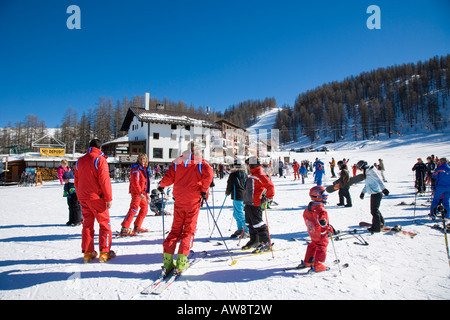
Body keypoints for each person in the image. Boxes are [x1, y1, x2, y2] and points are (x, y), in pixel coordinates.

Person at [158, 141, 214, 273]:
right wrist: (204, 189)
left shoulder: (178, 161)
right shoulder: (201, 162)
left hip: (179, 199)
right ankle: (182, 261)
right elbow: (209, 174)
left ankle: (167, 261)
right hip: (193, 200)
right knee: (188, 230)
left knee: (175, 230)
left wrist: (161, 185)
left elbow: (168, 177)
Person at [74, 139, 115, 263]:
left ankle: (88, 252)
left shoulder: (79, 161)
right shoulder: (99, 160)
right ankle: (104, 251)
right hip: (97, 197)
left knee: (87, 225)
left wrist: (79, 195)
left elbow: (76, 181)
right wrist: (108, 198)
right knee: (104, 224)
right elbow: (104, 181)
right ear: (100, 148)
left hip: (83, 197)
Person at [242, 156, 275, 253]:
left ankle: (266, 242)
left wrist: (268, 198)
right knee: (250, 224)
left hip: (255, 203)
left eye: (247, 165)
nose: (247, 167)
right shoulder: (253, 173)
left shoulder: (260, 173)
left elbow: (270, 186)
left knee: (258, 223)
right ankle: (254, 240)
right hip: (248, 203)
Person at [300, 185, 333, 272]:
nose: (326, 198)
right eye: (324, 196)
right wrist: (327, 227)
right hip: (320, 233)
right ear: (318, 196)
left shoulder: (310, 207)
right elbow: (321, 220)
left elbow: (306, 216)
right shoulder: (320, 209)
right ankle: (318, 264)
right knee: (322, 246)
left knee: (313, 244)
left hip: (313, 232)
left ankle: (308, 261)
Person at [119, 154, 151, 236]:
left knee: (145, 208)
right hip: (137, 192)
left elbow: (145, 182)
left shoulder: (144, 169)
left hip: (142, 193)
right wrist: (139, 193)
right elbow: (135, 181)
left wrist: (146, 193)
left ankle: (137, 226)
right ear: (138, 159)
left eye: (144, 159)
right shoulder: (136, 168)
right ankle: (124, 228)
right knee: (134, 209)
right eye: (140, 159)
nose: (142, 160)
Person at [357, 160, 390, 233]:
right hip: (373, 193)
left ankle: (376, 227)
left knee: (374, 211)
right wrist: (363, 192)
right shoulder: (367, 172)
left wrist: (383, 189)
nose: (360, 170)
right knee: (375, 209)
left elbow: (379, 180)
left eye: (360, 169)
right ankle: (380, 223)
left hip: (377, 193)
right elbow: (367, 184)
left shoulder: (371, 171)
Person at [226, 159, 249, 239]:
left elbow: (230, 184)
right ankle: (240, 228)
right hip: (243, 196)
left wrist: (227, 192)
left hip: (237, 196)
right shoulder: (244, 174)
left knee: (239, 213)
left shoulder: (233, 174)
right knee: (236, 213)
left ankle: (246, 229)